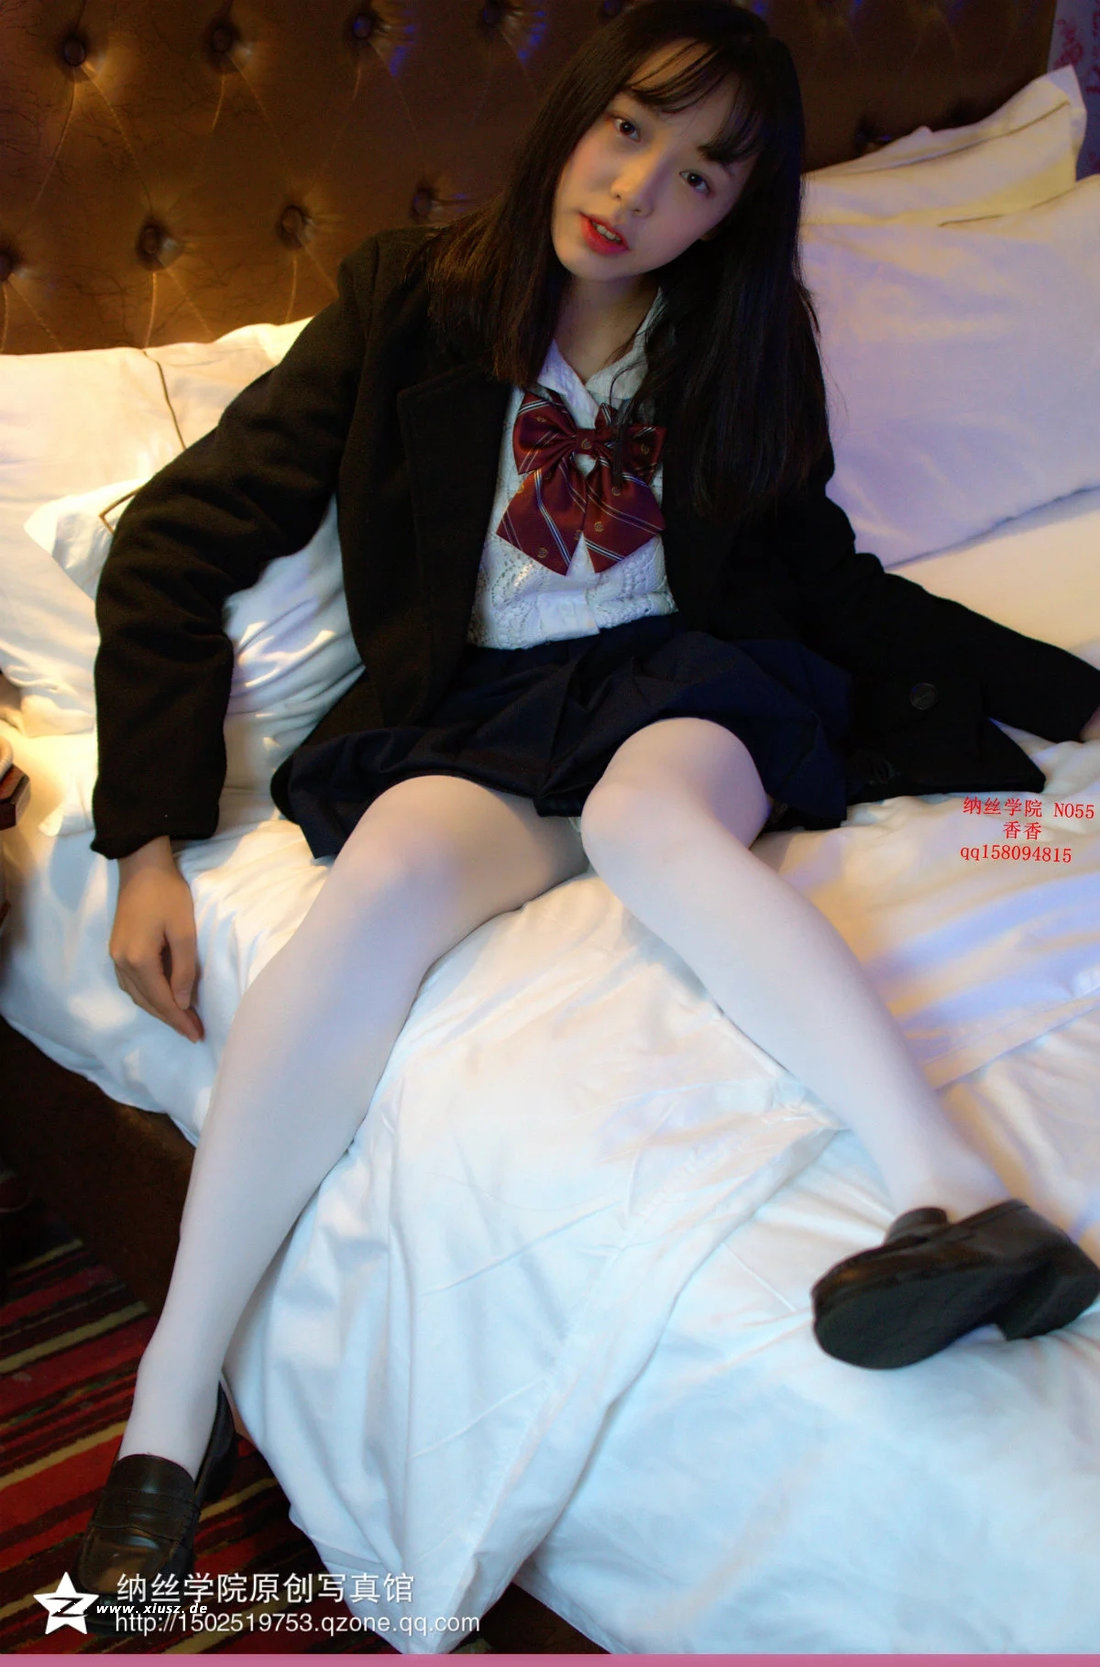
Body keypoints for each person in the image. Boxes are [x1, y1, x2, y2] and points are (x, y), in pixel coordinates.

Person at [78, 0, 1100, 1620]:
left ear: (735, 209)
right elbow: (178, 537)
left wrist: (1072, 694)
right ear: (575, 112)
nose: (637, 190)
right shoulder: (408, 301)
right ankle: (169, 1407)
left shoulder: (742, 339)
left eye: (700, 174)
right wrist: (143, 836)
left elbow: (825, 576)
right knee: (387, 870)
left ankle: (958, 1195)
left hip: (692, 681)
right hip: (482, 713)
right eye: (629, 129)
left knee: (649, 822)